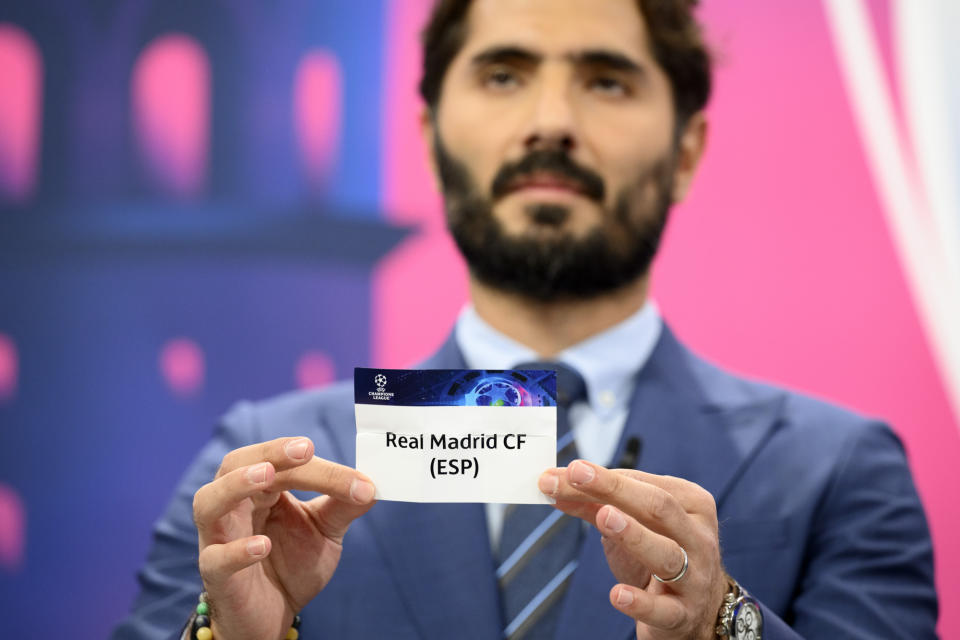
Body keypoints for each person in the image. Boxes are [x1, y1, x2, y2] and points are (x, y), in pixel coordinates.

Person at [113, 0, 938, 638]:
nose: (552, 122)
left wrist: (723, 623)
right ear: (431, 139)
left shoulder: (839, 471)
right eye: (504, 74)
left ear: (685, 152)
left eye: (606, 79)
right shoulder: (259, 479)